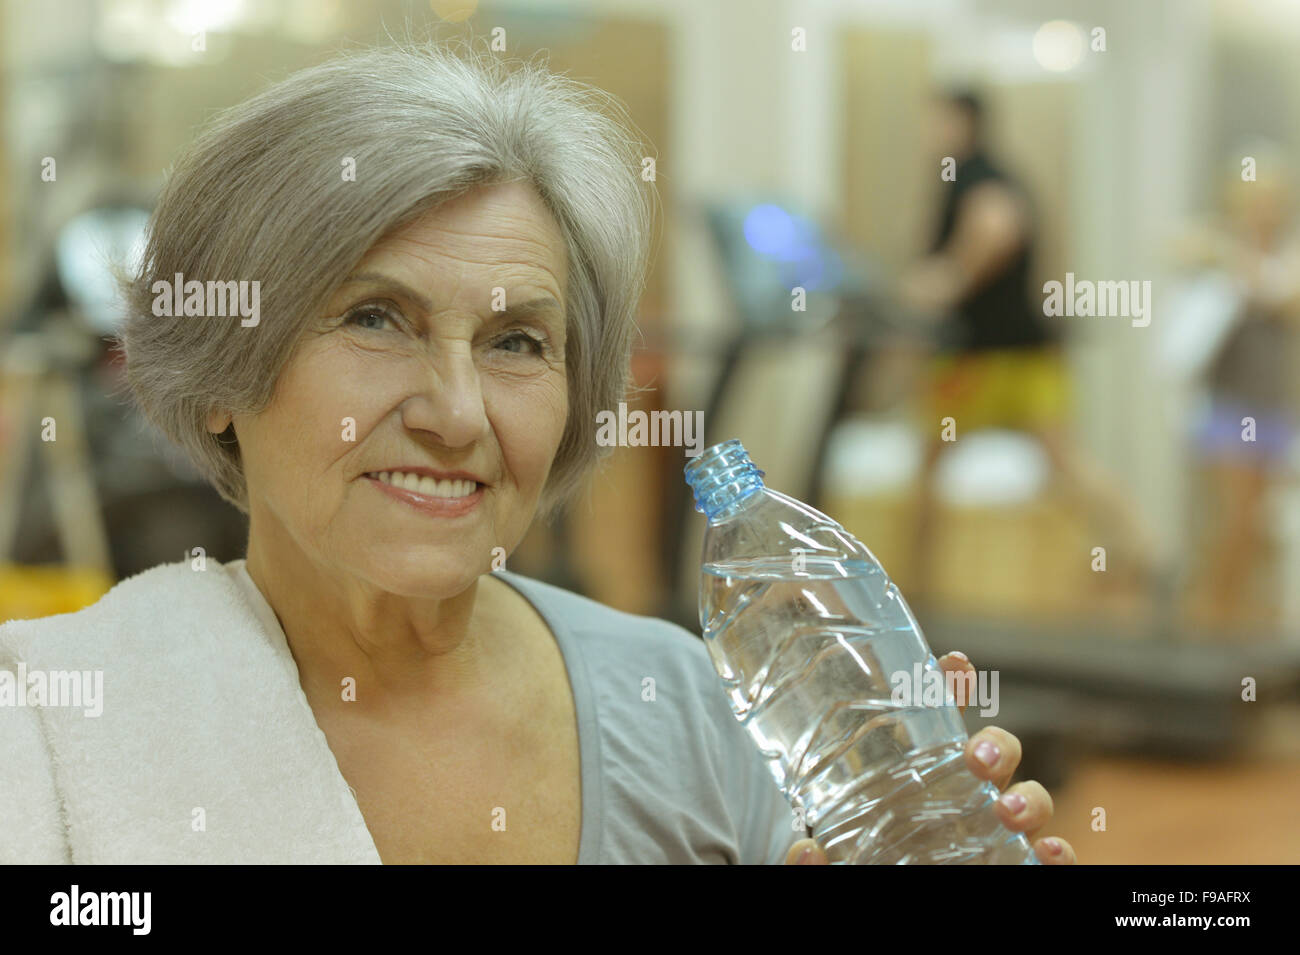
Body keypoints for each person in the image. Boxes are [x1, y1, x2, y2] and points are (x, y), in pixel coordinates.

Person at [0, 46, 1073, 864]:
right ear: (227, 370)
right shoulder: (57, 725)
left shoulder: (699, 714)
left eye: (518, 341)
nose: (458, 412)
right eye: (376, 319)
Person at [899, 88, 1154, 609]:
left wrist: (948, 279)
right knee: (1048, 461)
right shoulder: (985, 173)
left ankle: (907, 585)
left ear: (961, 123)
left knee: (936, 466)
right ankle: (1140, 543)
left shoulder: (975, 172)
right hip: (1014, 351)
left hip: (985, 356)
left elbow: (997, 228)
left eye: (935, 121)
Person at [1178, 155, 1300, 630]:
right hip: (1228, 405)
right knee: (1236, 517)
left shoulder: (1283, 257)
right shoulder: (1214, 251)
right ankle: (1210, 612)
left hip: (1273, 406)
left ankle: (1235, 616)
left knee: (1257, 527)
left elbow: (1285, 299)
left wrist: (1241, 267)